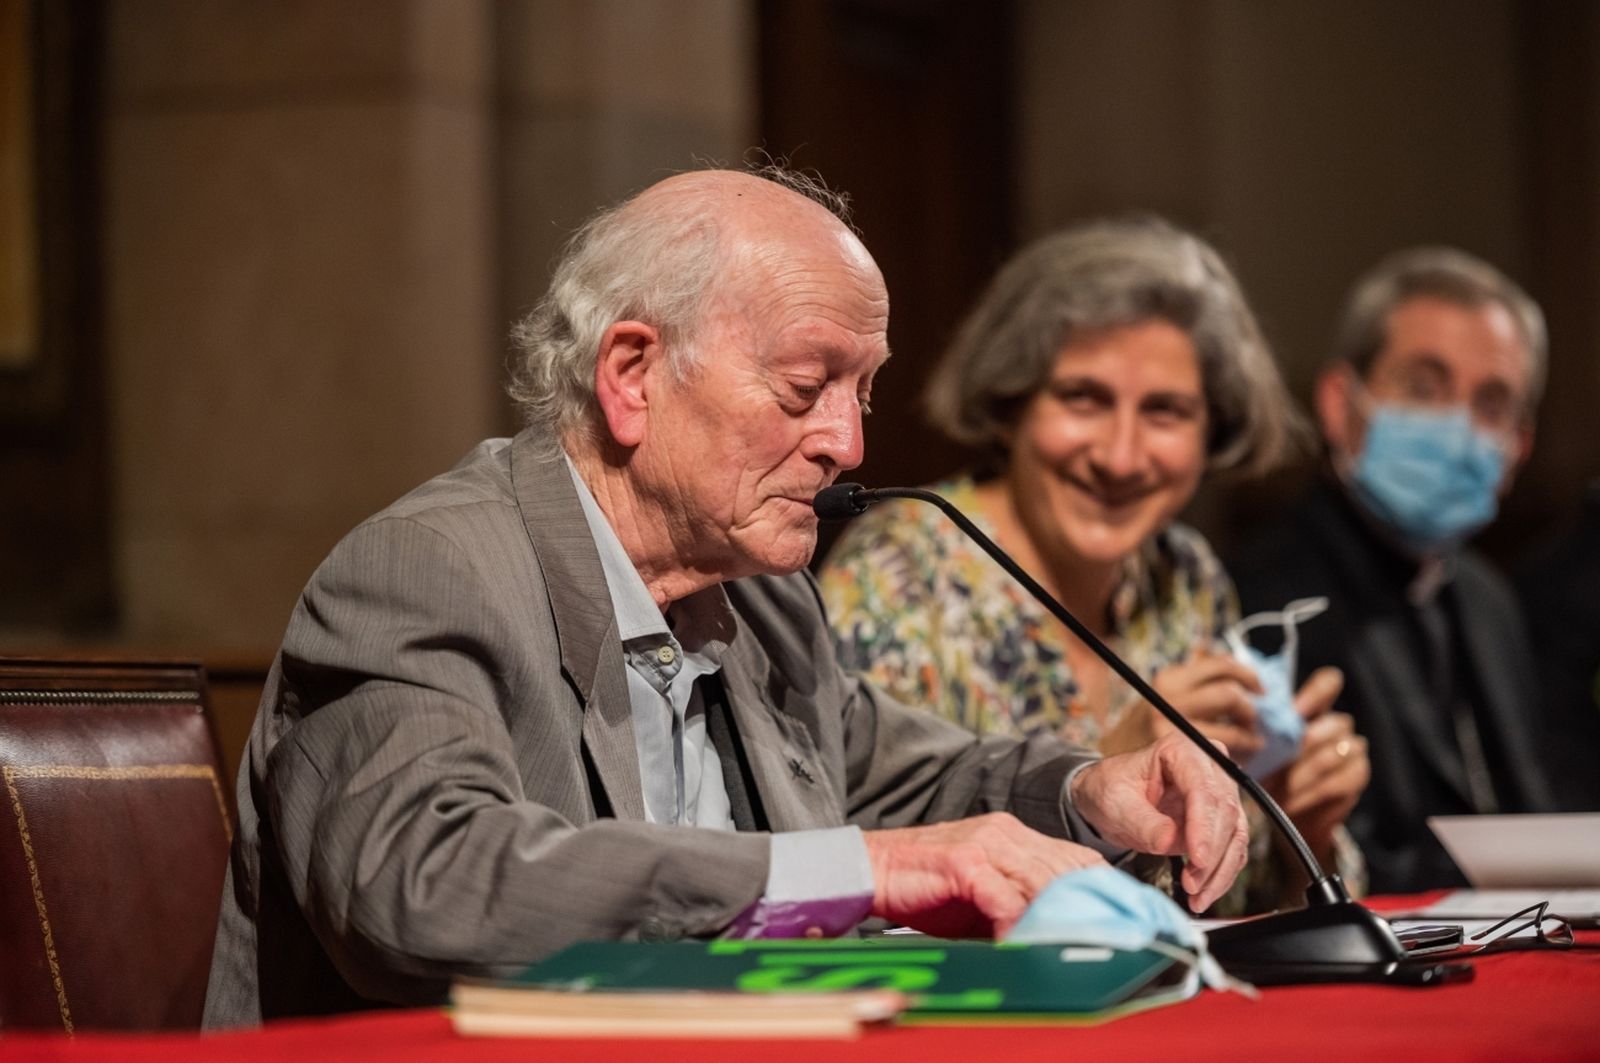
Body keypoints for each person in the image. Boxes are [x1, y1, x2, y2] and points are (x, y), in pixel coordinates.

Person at [202, 170, 1248, 1026]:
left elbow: (894, 781)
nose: (849, 441)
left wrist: (1089, 792)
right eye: (805, 389)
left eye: (862, 390)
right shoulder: (425, 573)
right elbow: (424, 887)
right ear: (632, 374)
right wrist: (859, 871)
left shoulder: (758, 596)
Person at [820, 217, 1367, 915]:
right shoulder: (898, 574)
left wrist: (1297, 825)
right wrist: (1106, 761)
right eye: (1084, 398)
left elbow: (1223, 911)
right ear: (1012, 403)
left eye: (1165, 412)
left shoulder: (1186, 579)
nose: (1121, 455)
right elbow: (872, 896)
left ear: (1214, 432)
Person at [1227, 247, 1558, 893]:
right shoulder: (1265, 601)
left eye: (1491, 402)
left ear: (1519, 444)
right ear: (1338, 403)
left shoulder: (1489, 595)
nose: (1459, 427)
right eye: (1424, 388)